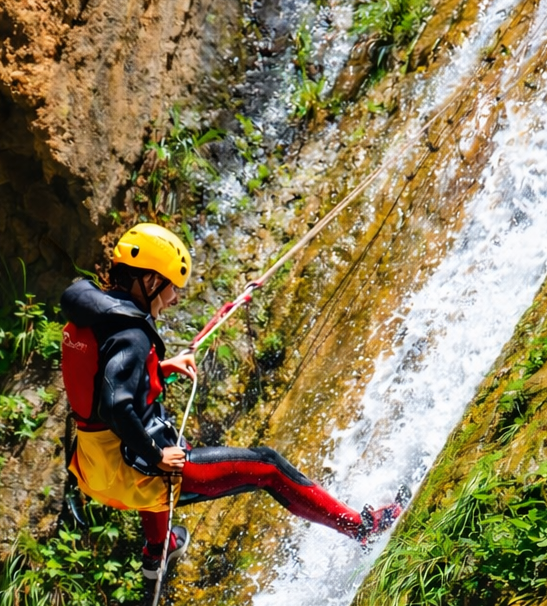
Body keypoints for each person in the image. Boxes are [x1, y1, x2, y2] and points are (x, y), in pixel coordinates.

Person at [61, 222, 406, 580]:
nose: (174, 298)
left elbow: (100, 379)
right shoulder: (131, 333)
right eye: (170, 288)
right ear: (149, 282)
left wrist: (160, 368)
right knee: (267, 467)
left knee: (171, 445)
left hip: (93, 468)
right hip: (130, 471)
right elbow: (116, 405)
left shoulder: (92, 317)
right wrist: (155, 455)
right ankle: (361, 528)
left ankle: (157, 549)